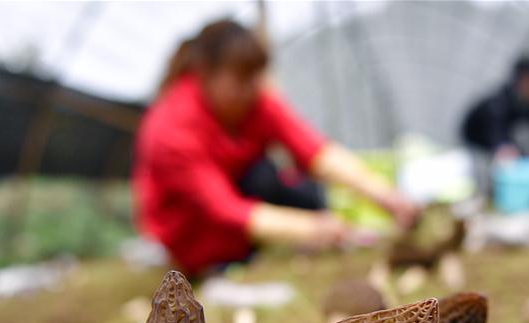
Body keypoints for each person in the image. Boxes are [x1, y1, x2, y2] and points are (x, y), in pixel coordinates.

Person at [133, 19, 418, 276]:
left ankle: (258, 249)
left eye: (256, 76)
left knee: (285, 181)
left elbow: (313, 150)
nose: (253, 88)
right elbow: (223, 208)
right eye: (241, 79)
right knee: (267, 180)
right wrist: (313, 229)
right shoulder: (171, 126)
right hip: (192, 231)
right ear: (206, 73)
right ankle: (218, 263)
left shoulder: (253, 101)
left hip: (241, 209)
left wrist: (386, 196)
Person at [461, 55, 529, 162]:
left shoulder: (527, 102)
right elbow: (495, 128)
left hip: (498, 142)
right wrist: (502, 147)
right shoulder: (499, 101)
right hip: (477, 143)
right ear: (523, 78)